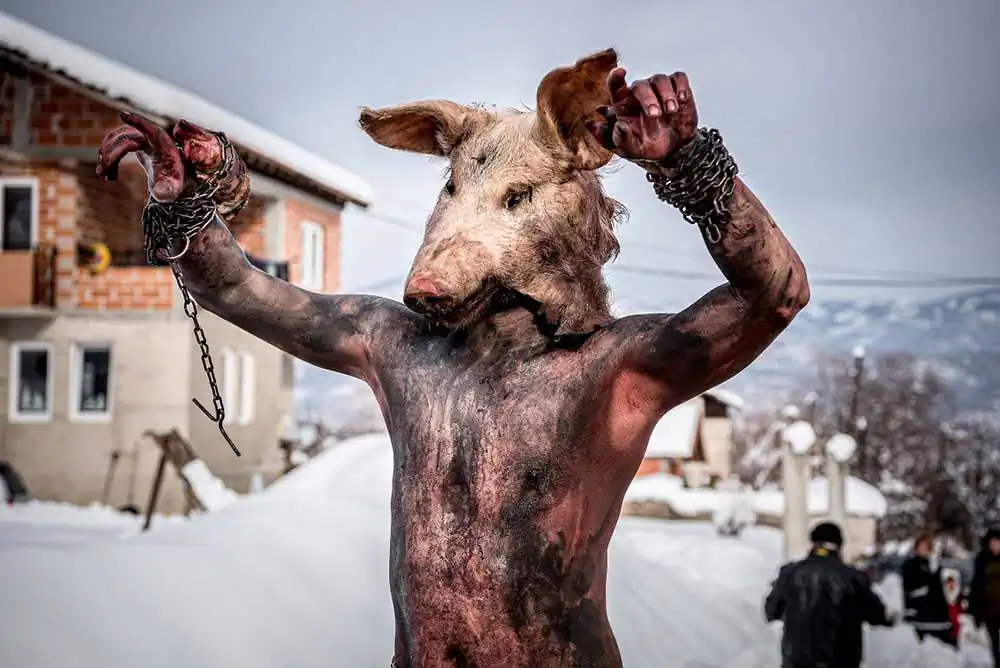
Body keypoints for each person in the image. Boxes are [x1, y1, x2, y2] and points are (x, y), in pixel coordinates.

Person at [98, 49, 811, 668]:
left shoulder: (612, 371)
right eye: (453, 191)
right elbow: (233, 287)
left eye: (513, 197)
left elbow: (775, 295)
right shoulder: (398, 346)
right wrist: (186, 202)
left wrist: (689, 164)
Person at [764, 522, 895, 668]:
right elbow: (877, 614)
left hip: (798, 660)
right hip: (842, 661)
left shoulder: (789, 574)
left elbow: (771, 611)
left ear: (813, 543)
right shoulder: (853, 577)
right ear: (839, 545)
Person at [902, 533, 956, 647]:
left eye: (927, 547)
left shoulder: (933, 565)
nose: (924, 550)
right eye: (921, 547)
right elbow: (909, 588)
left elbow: (942, 587)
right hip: (919, 613)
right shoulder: (910, 565)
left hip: (937, 614)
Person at [970, 526, 1000, 667]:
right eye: (992, 542)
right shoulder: (982, 559)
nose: (995, 545)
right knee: (995, 640)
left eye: (997, 542)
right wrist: (975, 611)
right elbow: (976, 585)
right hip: (989, 609)